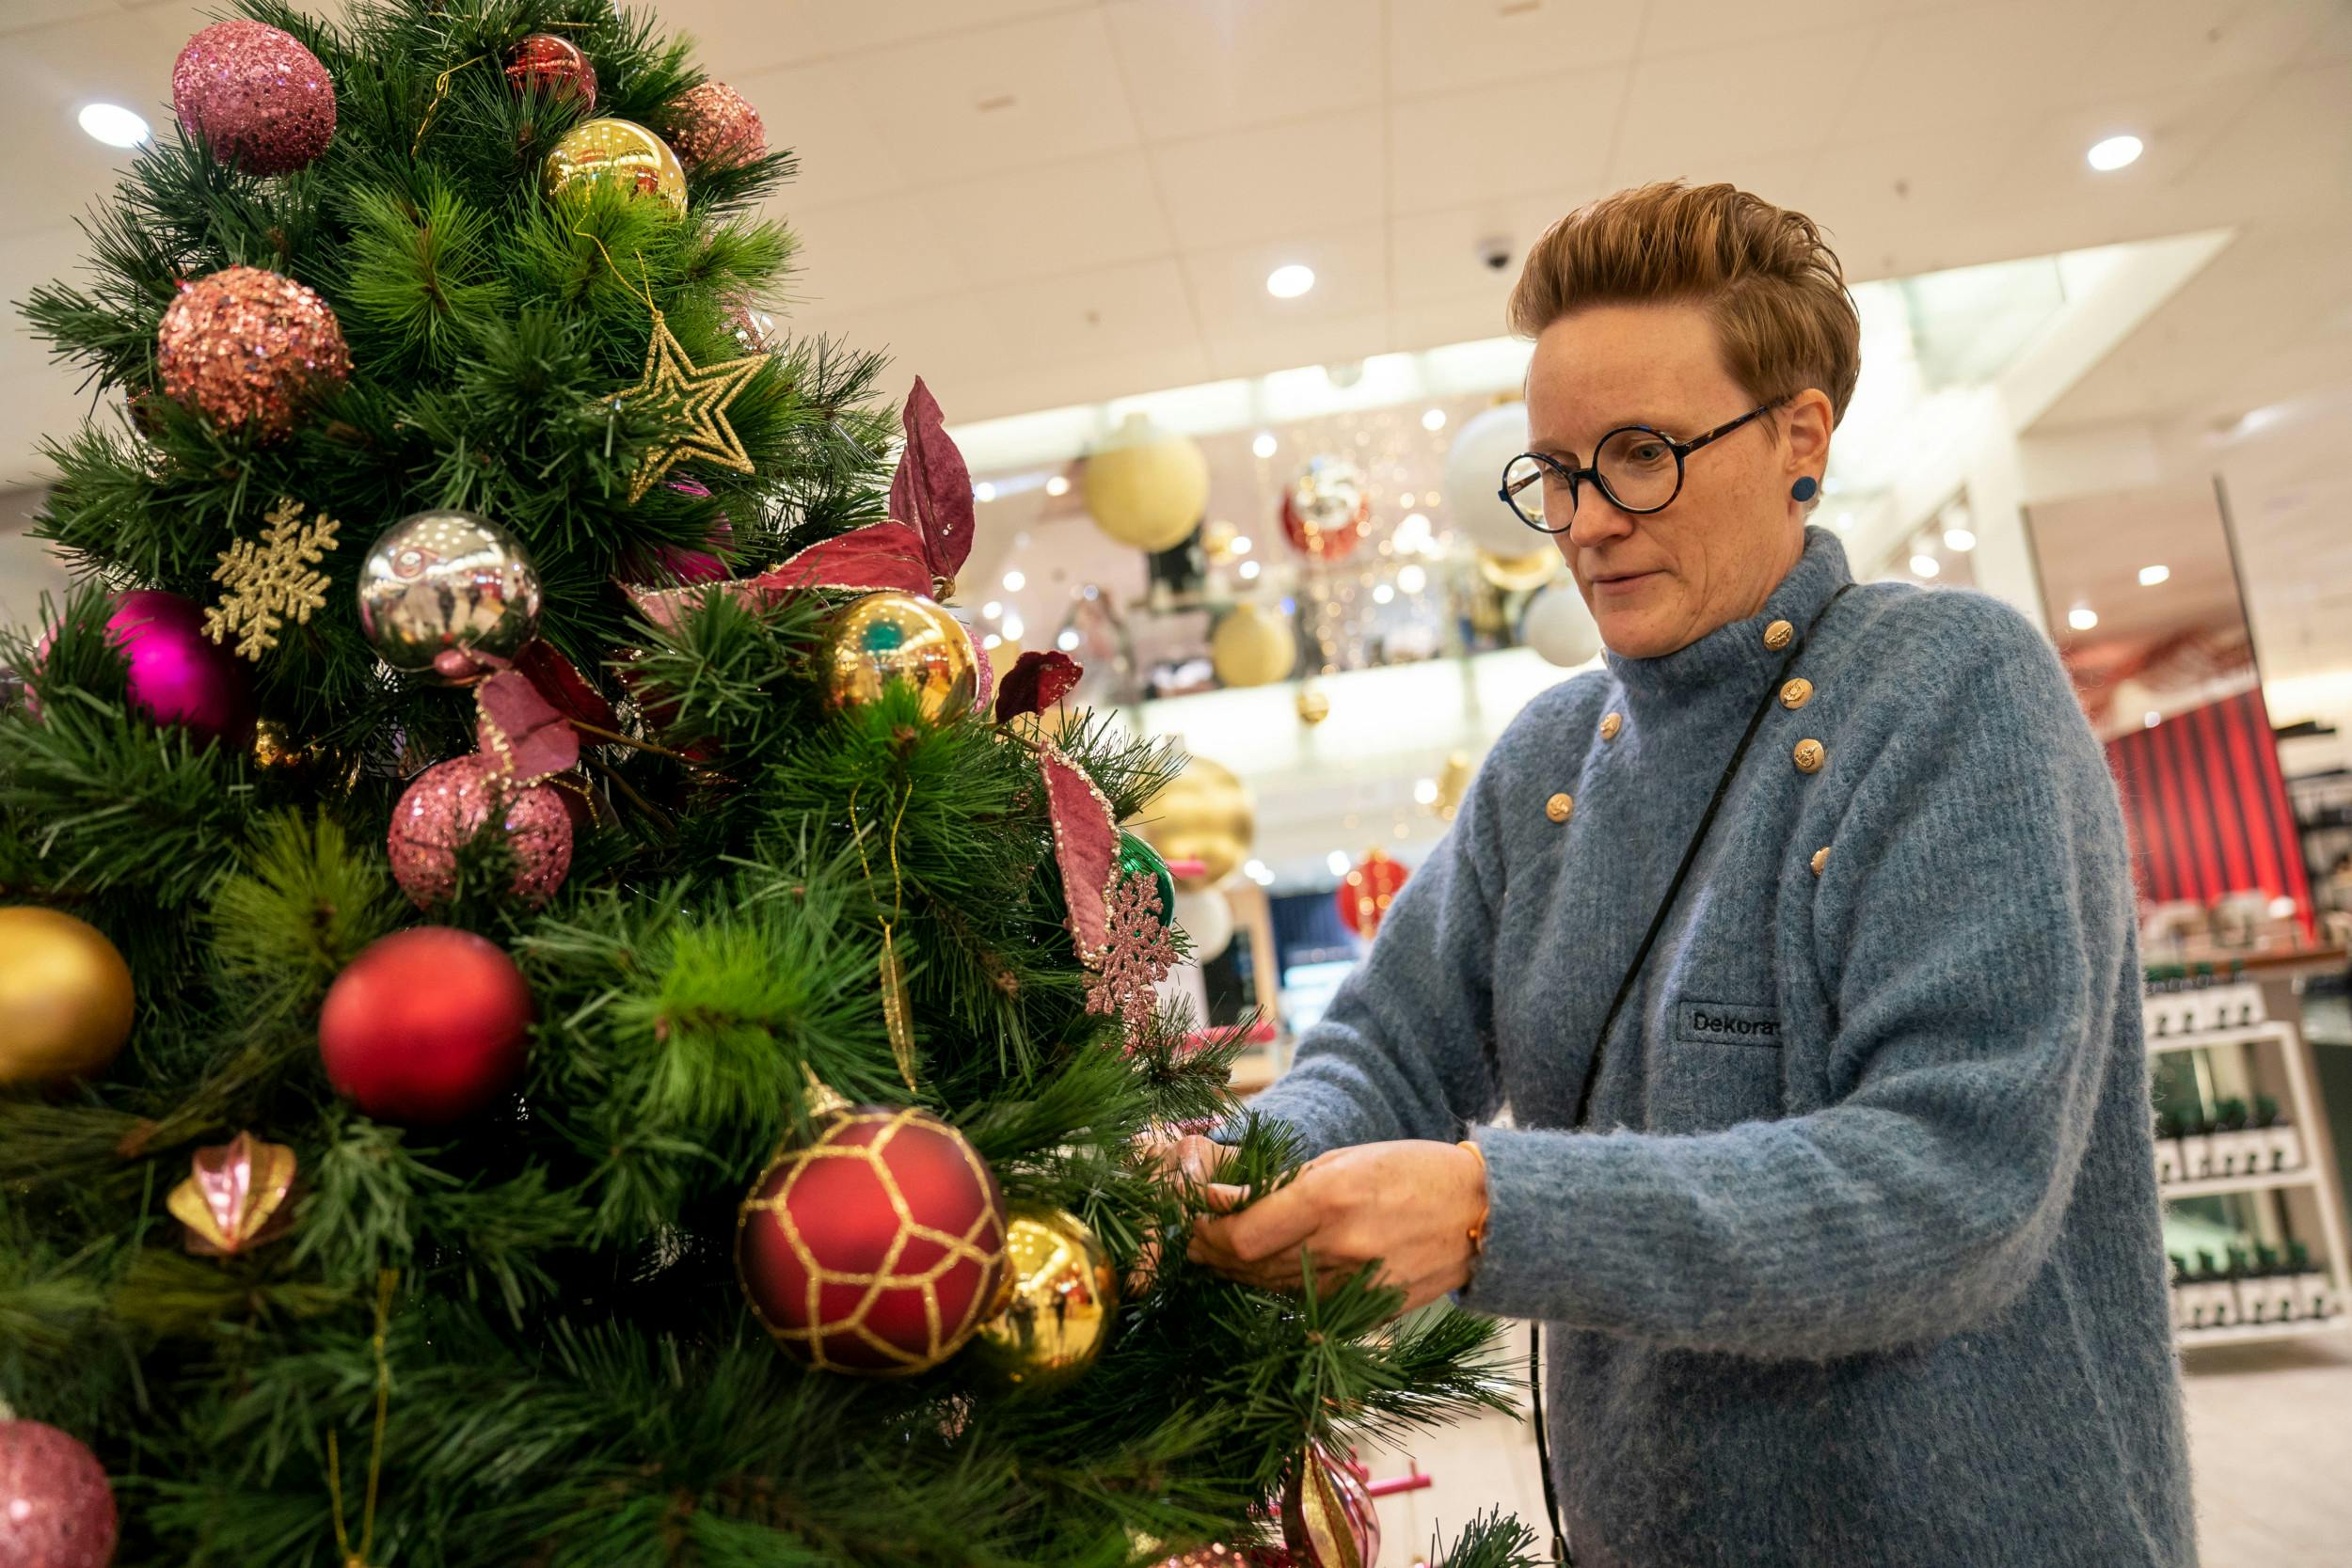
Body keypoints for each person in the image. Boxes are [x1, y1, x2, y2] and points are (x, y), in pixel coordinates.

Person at [1175, 183, 2193, 1568]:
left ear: (1799, 437)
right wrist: (1238, 1168)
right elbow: (1381, 1051)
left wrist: (1492, 1210)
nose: (1587, 521)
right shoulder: (1545, 763)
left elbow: (1957, 1189)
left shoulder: (1956, 690)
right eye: (1554, 471)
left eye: (1641, 454)